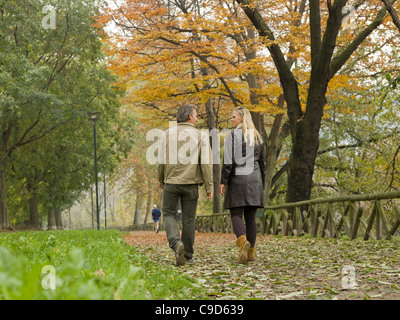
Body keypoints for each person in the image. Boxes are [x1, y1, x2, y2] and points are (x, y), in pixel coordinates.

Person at [158, 104, 214, 266]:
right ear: (189, 116)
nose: (197, 117)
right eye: (196, 115)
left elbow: (160, 162)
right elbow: (206, 163)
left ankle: (176, 244)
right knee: (189, 219)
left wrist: (161, 180)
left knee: (168, 214)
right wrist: (209, 186)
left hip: (171, 182)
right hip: (191, 184)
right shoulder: (201, 135)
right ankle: (188, 254)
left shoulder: (166, 134)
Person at [219, 106, 265, 264]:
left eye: (233, 117)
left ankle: (242, 241)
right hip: (255, 179)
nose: (231, 120)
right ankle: (251, 252)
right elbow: (263, 163)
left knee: (236, 213)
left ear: (242, 119)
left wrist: (223, 181)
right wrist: (262, 183)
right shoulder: (257, 137)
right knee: (251, 218)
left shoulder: (233, 136)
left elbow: (228, 162)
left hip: (238, 179)